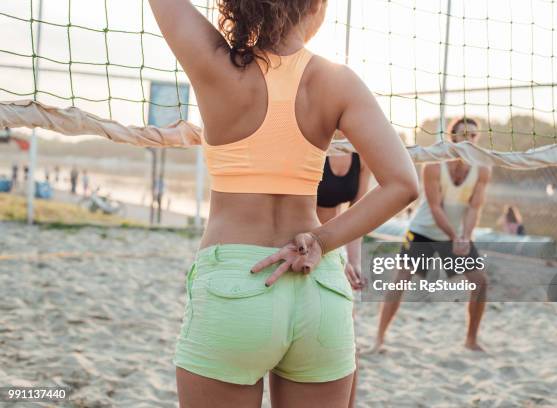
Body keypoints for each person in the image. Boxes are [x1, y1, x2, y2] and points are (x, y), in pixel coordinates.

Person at [88, 1, 419, 406]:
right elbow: (402, 184)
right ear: (316, 6)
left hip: (238, 283)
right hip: (318, 287)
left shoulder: (214, 63)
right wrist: (322, 240)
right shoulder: (337, 81)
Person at [369, 117, 491, 353]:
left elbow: (475, 208)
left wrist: (465, 236)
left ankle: (471, 340)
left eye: (473, 135)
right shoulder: (434, 164)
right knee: (401, 279)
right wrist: (455, 236)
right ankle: (379, 339)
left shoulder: (483, 168)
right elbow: (435, 207)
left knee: (480, 282)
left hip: (455, 234)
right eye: (464, 134)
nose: (469, 139)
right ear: (452, 137)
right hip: (423, 230)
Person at [316, 131, 372, 408]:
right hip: (300, 239)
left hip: (333, 245)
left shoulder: (360, 153)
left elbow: (358, 215)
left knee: (348, 334)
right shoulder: (315, 142)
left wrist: (354, 261)